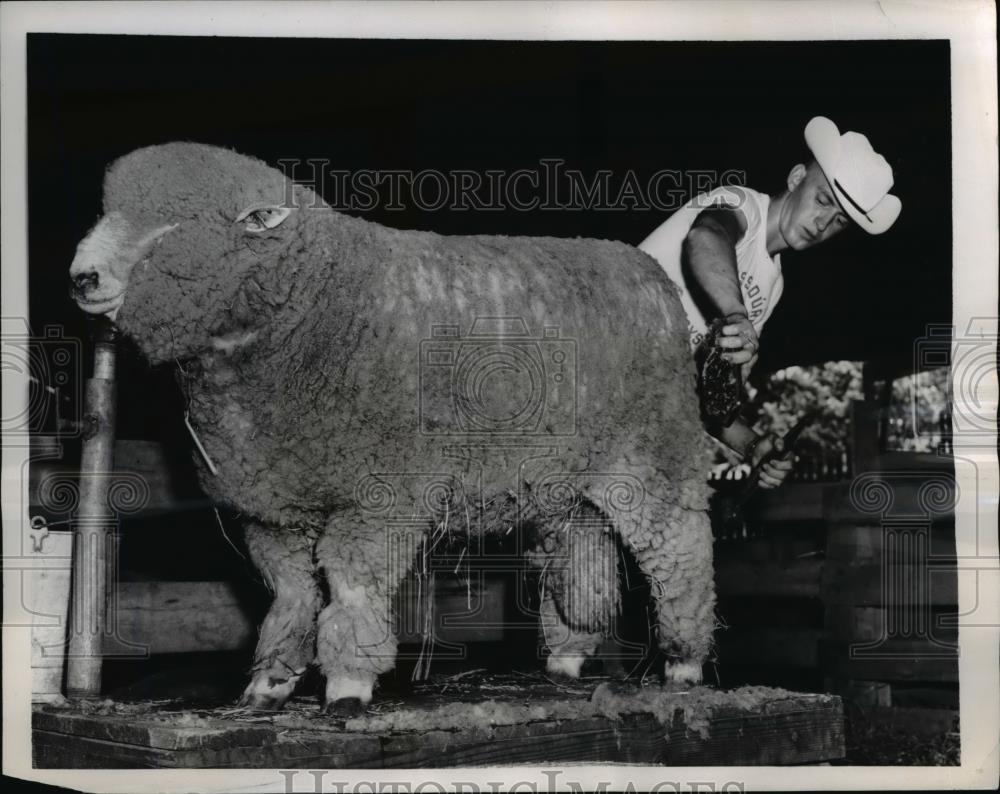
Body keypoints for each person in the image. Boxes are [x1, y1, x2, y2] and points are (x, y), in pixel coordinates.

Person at [640, 116, 900, 488]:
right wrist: (735, 314)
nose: (823, 223)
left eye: (840, 220)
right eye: (823, 200)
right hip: (602, 346)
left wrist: (753, 445)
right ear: (796, 178)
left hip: (638, 394)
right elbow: (706, 236)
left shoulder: (772, 284)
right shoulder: (741, 203)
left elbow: (706, 394)